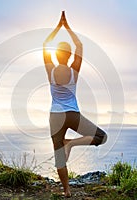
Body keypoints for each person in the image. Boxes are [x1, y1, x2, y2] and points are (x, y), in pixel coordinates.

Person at [43, 11, 108, 197]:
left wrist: (57, 27)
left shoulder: (50, 70)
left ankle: (67, 191)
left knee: (59, 156)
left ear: (56, 55)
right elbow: (79, 44)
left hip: (55, 116)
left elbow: (45, 45)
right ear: (69, 55)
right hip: (73, 115)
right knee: (101, 137)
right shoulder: (74, 71)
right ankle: (71, 143)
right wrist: (67, 26)